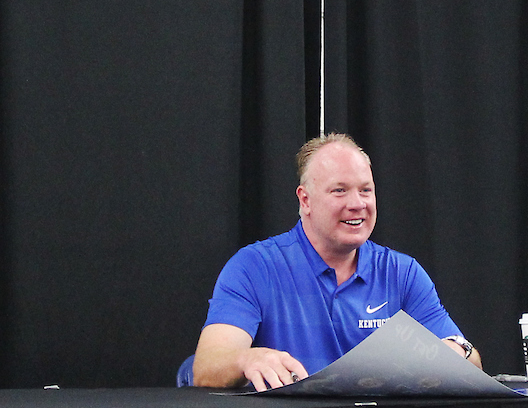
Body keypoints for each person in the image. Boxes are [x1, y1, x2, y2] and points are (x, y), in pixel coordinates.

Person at [193, 133, 482, 389]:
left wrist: (457, 352)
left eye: (365, 190)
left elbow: (473, 364)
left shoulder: (402, 273)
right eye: (339, 190)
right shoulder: (254, 267)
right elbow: (207, 368)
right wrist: (247, 358)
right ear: (305, 200)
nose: (357, 203)